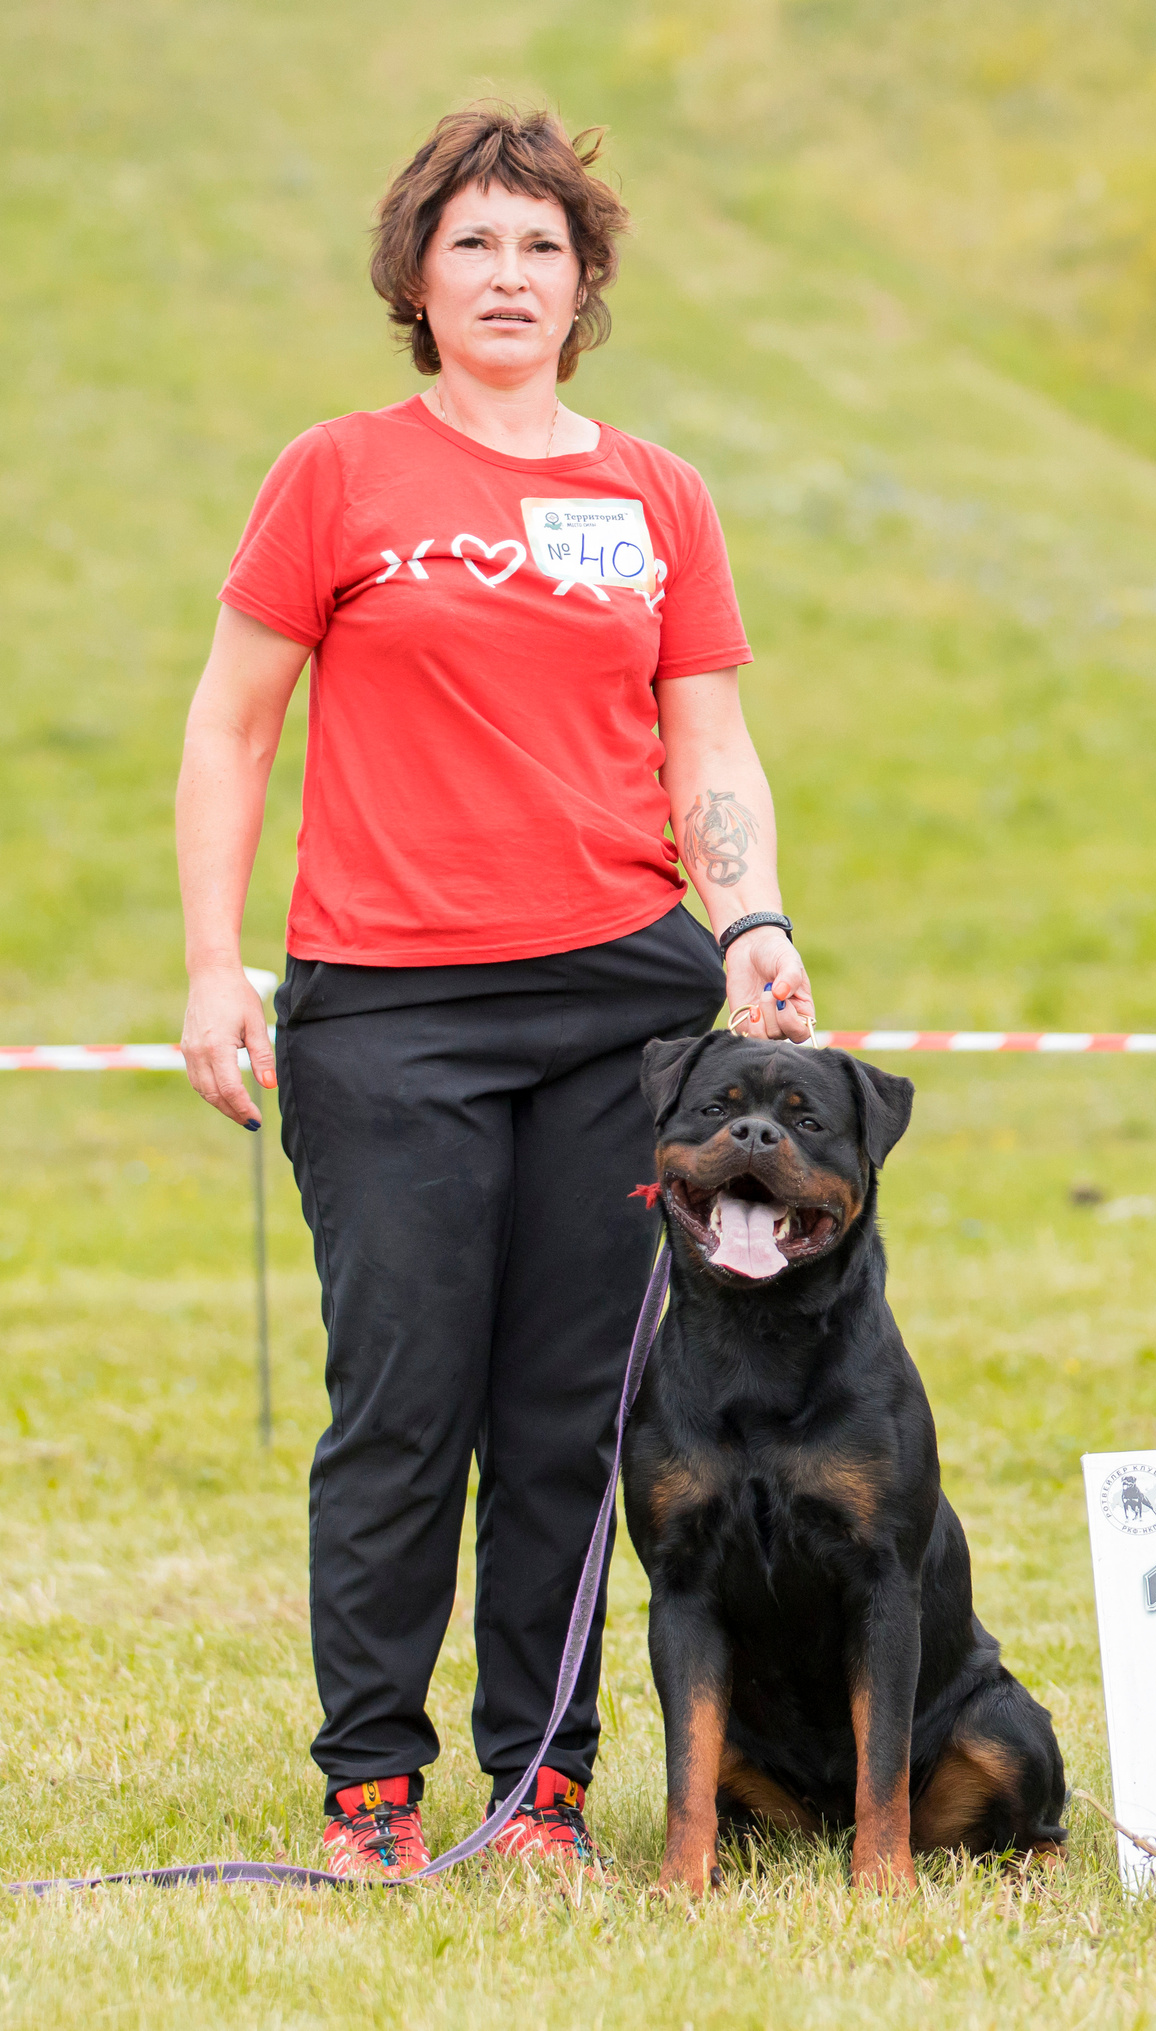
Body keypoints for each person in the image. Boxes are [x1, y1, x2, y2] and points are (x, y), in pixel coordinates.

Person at [174, 105, 814, 1880]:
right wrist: (215, 962)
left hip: (623, 1012)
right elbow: (231, 726)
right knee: (403, 1405)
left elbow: (709, 743)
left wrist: (752, 920)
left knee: (571, 1419)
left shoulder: (657, 493)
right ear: (417, 277)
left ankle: (540, 1790)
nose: (510, 275)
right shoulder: (338, 476)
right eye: (474, 243)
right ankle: (372, 1788)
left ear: (586, 281)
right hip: (387, 1008)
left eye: (544, 246)